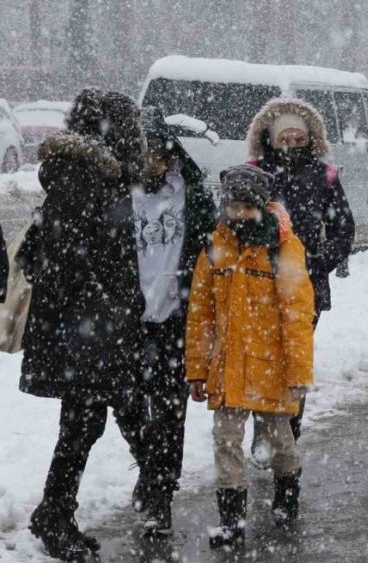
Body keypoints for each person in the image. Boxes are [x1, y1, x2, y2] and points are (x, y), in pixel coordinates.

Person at [19, 89, 147, 561]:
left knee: (90, 419)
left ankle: (57, 511)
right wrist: (105, 308)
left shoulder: (96, 172)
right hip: (84, 330)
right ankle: (55, 515)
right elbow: (64, 256)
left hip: (90, 326)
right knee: (85, 422)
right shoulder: (83, 175)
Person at [185, 164, 314, 548]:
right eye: (232, 205)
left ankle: (286, 494)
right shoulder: (215, 245)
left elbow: (297, 315)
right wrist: (197, 368)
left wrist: (298, 374)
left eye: (246, 205)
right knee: (225, 440)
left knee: (280, 440)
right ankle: (231, 521)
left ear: (260, 205)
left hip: (270, 367)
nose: (238, 213)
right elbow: (201, 313)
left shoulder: (284, 247)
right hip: (226, 368)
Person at [245, 98, 353, 456]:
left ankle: (289, 430)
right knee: (262, 357)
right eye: (284, 139)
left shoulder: (324, 176)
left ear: (310, 138)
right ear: (271, 138)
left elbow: (342, 228)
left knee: (295, 357)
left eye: (298, 138)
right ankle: (263, 429)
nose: (291, 145)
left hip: (306, 285)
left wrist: (318, 263)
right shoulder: (253, 172)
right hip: (259, 282)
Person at [129, 107, 218, 536]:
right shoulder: (119, 194)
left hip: (175, 320)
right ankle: (150, 469)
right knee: (128, 407)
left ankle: (159, 494)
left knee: (168, 412)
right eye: (143, 155)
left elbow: (211, 252)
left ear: (170, 157)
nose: (152, 164)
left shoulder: (192, 193)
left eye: (158, 156)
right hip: (128, 321)